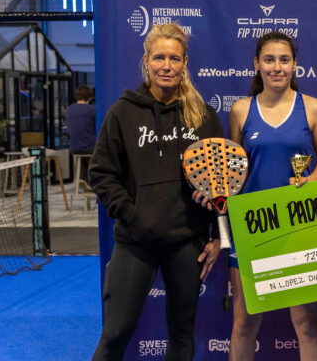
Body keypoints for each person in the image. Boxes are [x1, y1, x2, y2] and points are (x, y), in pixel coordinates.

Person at [89, 23, 224, 360]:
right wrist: (132, 213)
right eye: (159, 57)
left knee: (181, 333)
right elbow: (102, 173)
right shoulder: (123, 112)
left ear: (185, 63)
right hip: (136, 241)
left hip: (187, 241)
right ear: (146, 61)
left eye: (174, 58)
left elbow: (220, 181)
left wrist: (217, 233)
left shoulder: (203, 116)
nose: (167, 65)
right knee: (115, 334)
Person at [221, 31, 317, 361]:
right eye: (269, 60)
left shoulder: (312, 108)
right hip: (251, 228)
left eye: (284, 60)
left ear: (294, 64)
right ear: (256, 64)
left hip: (299, 226)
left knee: (307, 323)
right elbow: (235, 170)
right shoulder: (241, 110)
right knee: (244, 323)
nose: (277, 67)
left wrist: (310, 180)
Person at [65, 85, 96, 187]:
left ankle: (83, 179)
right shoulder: (93, 110)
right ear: (90, 97)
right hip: (90, 147)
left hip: (74, 147)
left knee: (83, 156)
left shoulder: (68, 110)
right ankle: (92, 181)